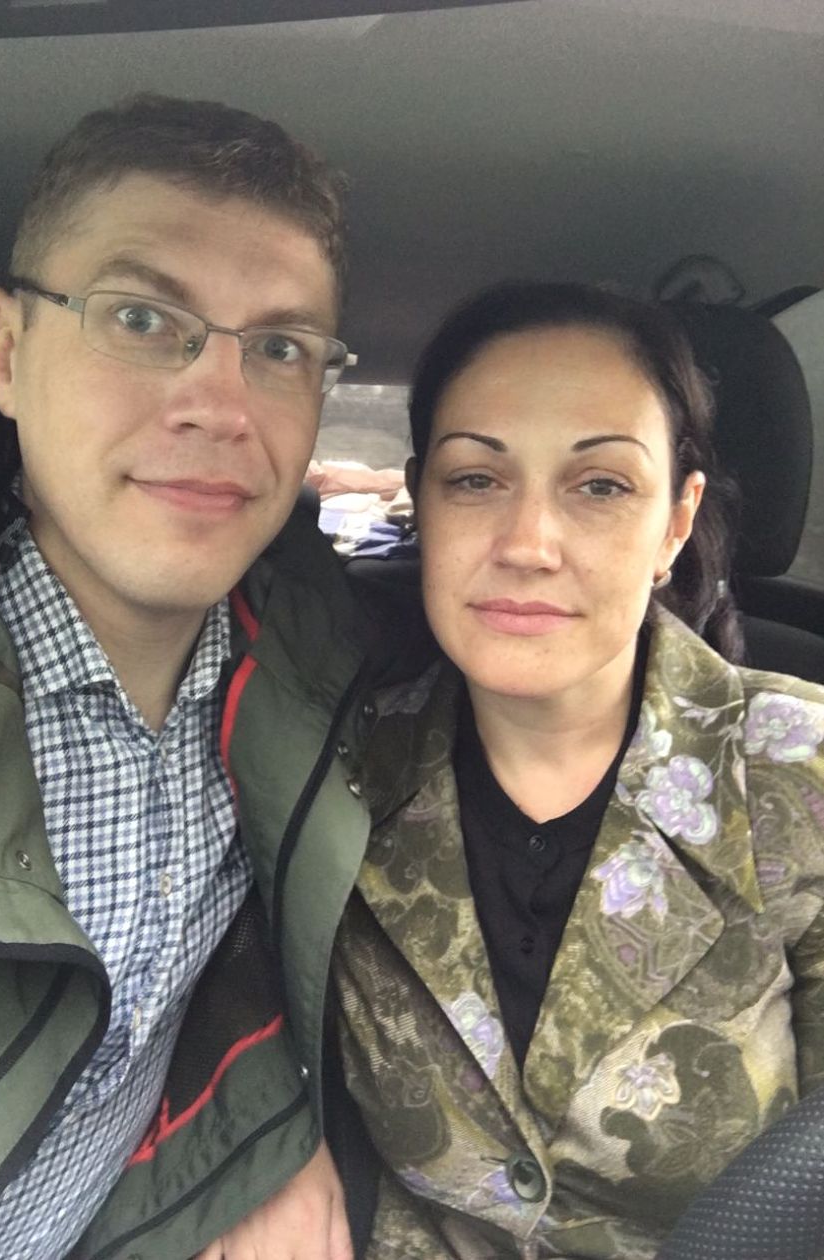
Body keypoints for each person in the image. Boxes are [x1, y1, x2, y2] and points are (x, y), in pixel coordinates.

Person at [0, 93, 373, 1260]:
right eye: (143, 318)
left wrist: (274, 1137)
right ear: (8, 352)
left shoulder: (307, 673)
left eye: (280, 348)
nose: (221, 406)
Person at [307, 281, 824, 1258]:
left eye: (600, 486)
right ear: (421, 501)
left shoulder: (800, 773)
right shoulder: (332, 770)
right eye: (475, 479)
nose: (527, 545)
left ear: (676, 523)